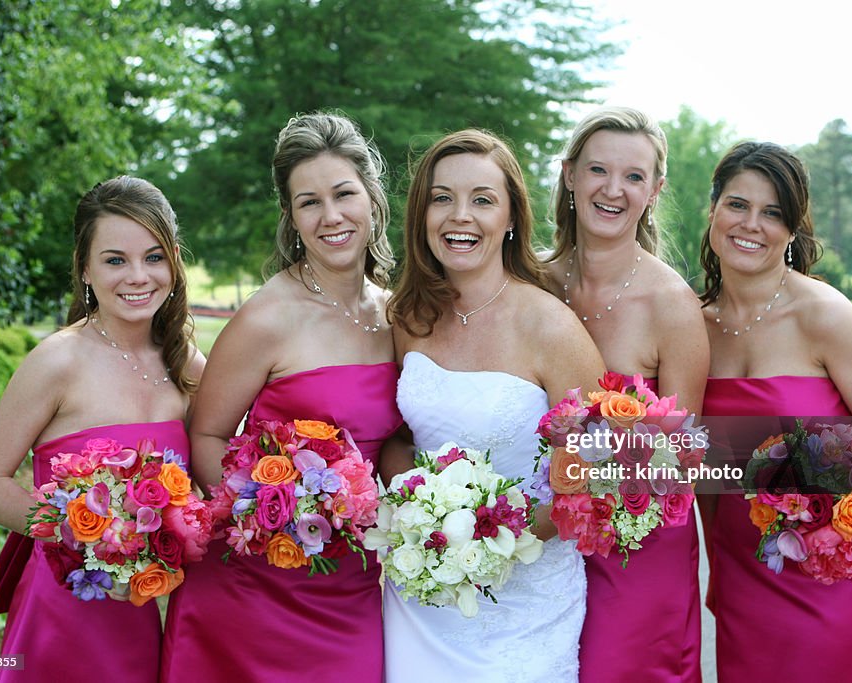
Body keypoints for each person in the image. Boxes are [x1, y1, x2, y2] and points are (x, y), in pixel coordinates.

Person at [158, 112, 401, 683]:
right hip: (253, 587)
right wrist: (275, 511)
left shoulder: (398, 313)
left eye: (344, 194)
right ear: (292, 218)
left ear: (372, 199)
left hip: (352, 581)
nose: (331, 216)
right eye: (309, 202)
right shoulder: (267, 318)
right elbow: (207, 434)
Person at [382, 129, 606, 683]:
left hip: (525, 597)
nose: (461, 216)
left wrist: (498, 537)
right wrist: (419, 510)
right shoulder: (409, 317)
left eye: (482, 199)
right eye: (442, 198)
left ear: (510, 218)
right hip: (421, 586)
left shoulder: (549, 325)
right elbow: (398, 438)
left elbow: (605, 464)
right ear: (421, 215)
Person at [0, 175, 205, 683]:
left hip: (140, 611)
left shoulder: (185, 364)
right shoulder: (57, 361)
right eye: (116, 259)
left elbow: (207, 482)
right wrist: (87, 534)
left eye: (154, 257)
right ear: (85, 270)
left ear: (174, 263)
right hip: (63, 604)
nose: (138, 276)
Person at [699, 141, 852, 682]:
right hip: (748, 578)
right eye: (737, 204)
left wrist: (818, 510)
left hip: (840, 578)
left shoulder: (824, 315)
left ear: (793, 229)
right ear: (713, 210)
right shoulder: (691, 327)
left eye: (772, 212)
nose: (751, 224)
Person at [543, 106, 708, 682]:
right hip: (539, 537)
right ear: (569, 175)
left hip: (637, 545)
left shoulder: (672, 305)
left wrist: (606, 482)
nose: (613, 189)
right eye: (597, 170)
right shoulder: (532, 283)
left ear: (654, 190)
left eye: (633, 176)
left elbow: (685, 457)